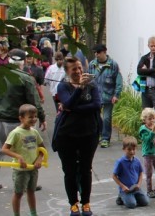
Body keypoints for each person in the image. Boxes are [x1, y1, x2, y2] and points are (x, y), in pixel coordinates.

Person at [0, 49, 47, 192]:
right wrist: (41, 117)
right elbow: (34, 102)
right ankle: (28, 181)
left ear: (8, 60)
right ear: (23, 62)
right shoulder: (26, 78)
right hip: (18, 120)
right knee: (25, 149)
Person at [52, 56, 101, 216]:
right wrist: (79, 88)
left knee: (86, 169)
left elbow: (96, 105)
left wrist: (73, 108)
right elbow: (67, 103)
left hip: (89, 134)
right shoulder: (63, 86)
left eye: (80, 68)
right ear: (67, 71)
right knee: (70, 171)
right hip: (66, 135)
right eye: (74, 69)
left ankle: (86, 203)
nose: (79, 71)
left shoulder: (92, 85)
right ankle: (73, 204)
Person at [0, 104, 45, 216]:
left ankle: (33, 213)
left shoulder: (34, 132)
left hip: (33, 168)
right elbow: (4, 149)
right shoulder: (16, 133)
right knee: (18, 193)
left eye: (35, 116)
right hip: (20, 170)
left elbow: (42, 148)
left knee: (31, 192)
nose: (34, 119)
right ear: (21, 118)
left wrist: (39, 159)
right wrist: (19, 157)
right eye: (30, 117)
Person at [87, 44, 123, 148]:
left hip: (108, 96)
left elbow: (119, 81)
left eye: (98, 52)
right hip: (95, 96)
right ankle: (98, 135)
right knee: (96, 117)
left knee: (107, 118)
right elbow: (88, 79)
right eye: (95, 52)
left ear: (104, 52)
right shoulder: (92, 65)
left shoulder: (113, 65)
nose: (96, 54)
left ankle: (106, 138)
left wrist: (116, 95)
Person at [112, 136, 149, 209]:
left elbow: (141, 173)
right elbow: (114, 176)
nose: (132, 152)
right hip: (126, 189)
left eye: (133, 149)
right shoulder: (120, 162)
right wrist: (122, 186)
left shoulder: (137, 161)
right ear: (124, 149)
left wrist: (138, 184)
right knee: (132, 205)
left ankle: (133, 196)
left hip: (135, 188)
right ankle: (121, 197)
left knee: (145, 202)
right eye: (129, 149)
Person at [139, 108, 155, 198]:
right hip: (148, 153)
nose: (152, 121)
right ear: (144, 119)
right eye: (149, 119)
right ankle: (149, 190)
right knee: (148, 173)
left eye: (153, 118)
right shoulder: (143, 129)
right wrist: (152, 132)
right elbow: (146, 140)